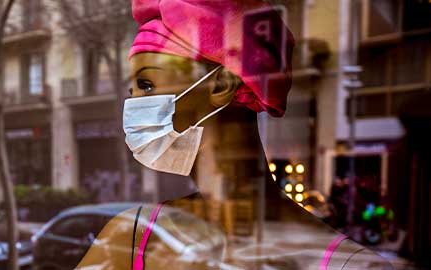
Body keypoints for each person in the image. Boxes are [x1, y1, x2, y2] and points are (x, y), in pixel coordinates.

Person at [76, 0, 393, 269]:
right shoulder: (132, 238)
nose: (132, 106)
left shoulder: (348, 264)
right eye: (132, 90)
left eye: (146, 86)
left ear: (221, 85)